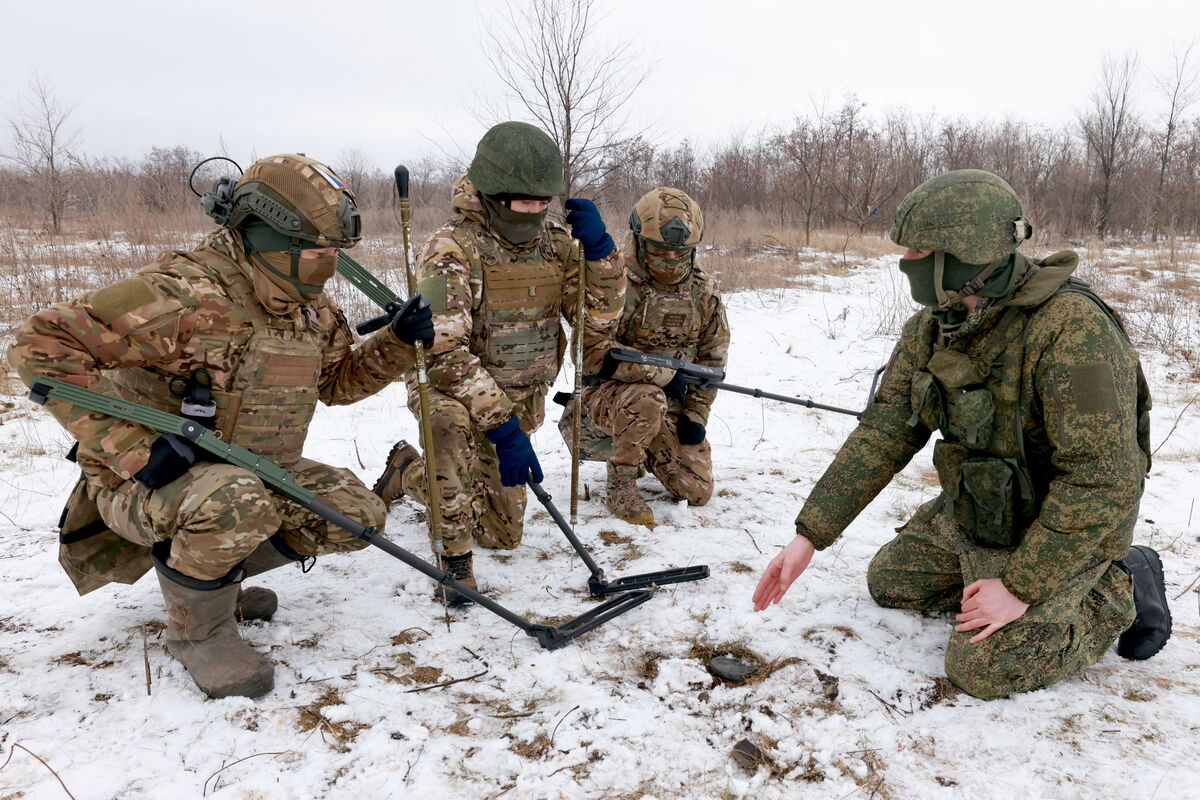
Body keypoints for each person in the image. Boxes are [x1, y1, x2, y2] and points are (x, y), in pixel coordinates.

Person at [9, 153, 434, 699]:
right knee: (236, 504)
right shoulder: (182, 293)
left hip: (252, 468)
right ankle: (198, 630)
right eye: (315, 251)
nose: (327, 265)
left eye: (334, 253)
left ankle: (214, 580)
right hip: (147, 482)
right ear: (266, 237)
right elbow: (38, 344)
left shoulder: (308, 307)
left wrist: (396, 342)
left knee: (353, 514)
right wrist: (135, 449)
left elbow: (336, 384)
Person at [752, 169, 1171, 699]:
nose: (906, 263)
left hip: (1067, 524)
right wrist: (809, 535)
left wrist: (1019, 588)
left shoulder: (1071, 330)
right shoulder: (933, 326)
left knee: (981, 668)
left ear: (964, 258)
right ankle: (991, 567)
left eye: (918, 251)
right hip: (989, 508)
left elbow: (1103, 481)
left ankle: (1125, 582)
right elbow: (885, 432)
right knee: (892, 582)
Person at [371, 121, 625, 606]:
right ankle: (454, 560)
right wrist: (502, 427)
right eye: (521, 202)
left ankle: (407, 471)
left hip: (520, 398)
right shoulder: (452, 249)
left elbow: (599, 321)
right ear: (491, 193)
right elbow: (444, 353)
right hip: (454, 393)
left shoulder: (556, 245)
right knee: (447, 435)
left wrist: (602, 255)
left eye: (541, 202)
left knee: (503, 535)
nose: (533, 211)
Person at [556, 187, 729, 525]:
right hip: (608, 396)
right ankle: (620, 486)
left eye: (680, 252)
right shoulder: (612, 281)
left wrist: (697, 415)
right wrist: (662, 376)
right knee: (649, 399)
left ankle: (645, 447)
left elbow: (712, 360)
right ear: (639, 239)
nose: (670, 260)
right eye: (660, 250)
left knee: (696, 491)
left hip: (670, 403)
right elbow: (589, 354)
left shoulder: (703, 291)